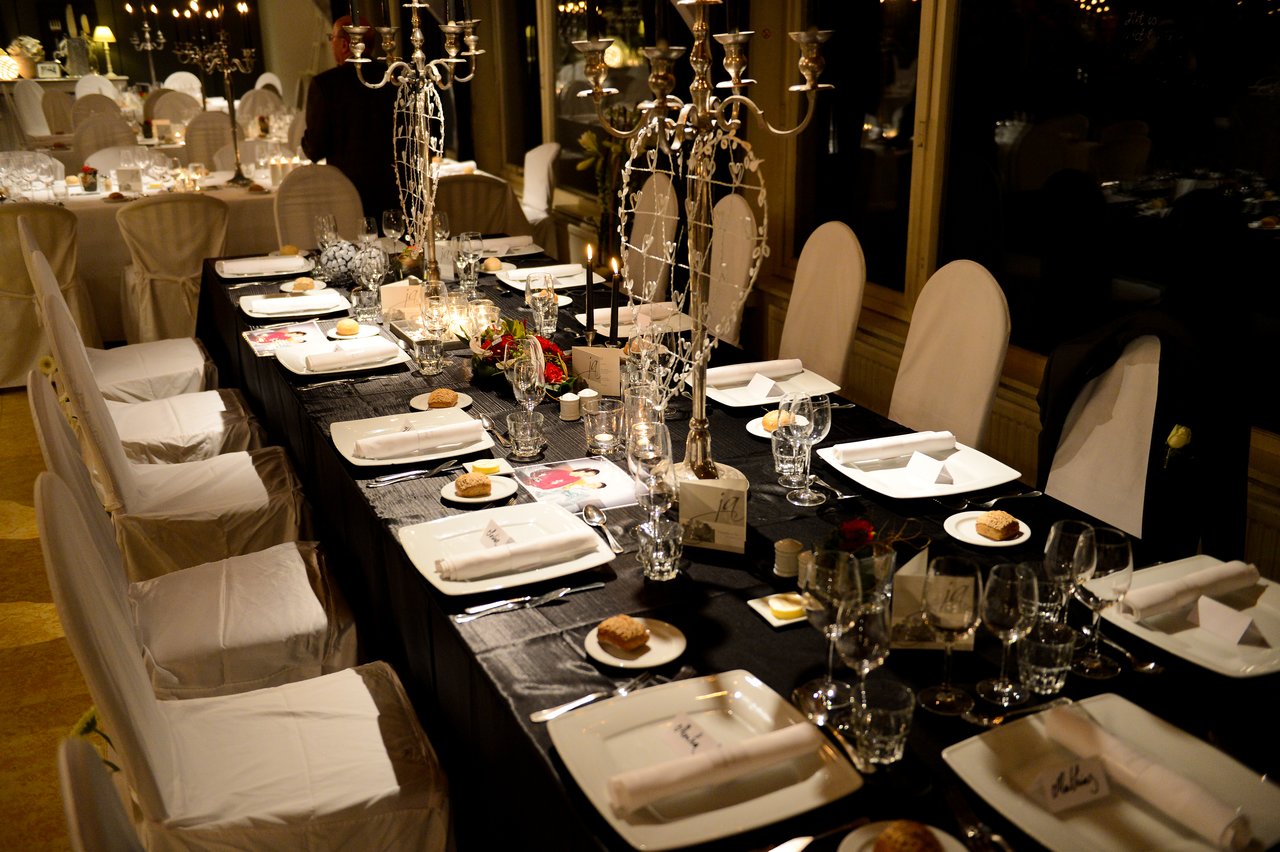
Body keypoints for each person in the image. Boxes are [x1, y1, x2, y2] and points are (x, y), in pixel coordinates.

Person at [301, 16, 399, 218]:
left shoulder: (325, 85)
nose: (331, 44)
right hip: (394, 190)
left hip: (346, 192)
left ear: (345, 44)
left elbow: (315, 149)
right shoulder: (394, 77)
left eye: (332, 38)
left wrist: (305, 141)